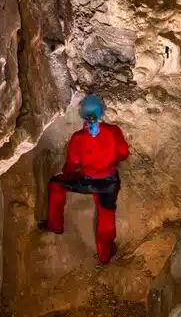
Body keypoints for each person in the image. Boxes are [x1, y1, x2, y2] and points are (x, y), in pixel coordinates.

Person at [40, 94, 130, 264]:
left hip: (87, 181)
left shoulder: (78, 138)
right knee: (106, 215)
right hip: (109, 182)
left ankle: (55, 225)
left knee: (56, 185)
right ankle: (105, 255)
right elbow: (123, 154)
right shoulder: (114, 132)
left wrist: (69, 173)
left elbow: (72, 165)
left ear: (82, 115)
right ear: (102, 113)